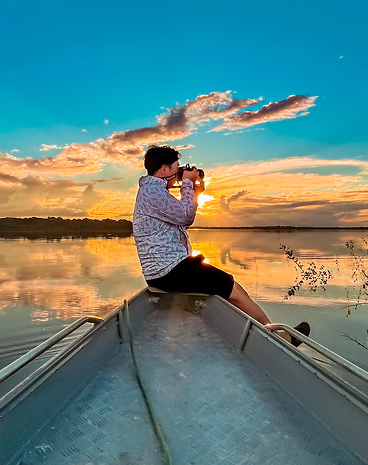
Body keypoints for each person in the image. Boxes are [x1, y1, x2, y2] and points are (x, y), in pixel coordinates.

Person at [133, 145, 310, 346]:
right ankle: (279, 337)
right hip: (169, 271)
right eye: (177, 168)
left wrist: (195, 191)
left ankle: (265, 333)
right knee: (233, 287)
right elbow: (186, 216)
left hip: (167, 269)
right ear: (164, 169)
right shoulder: (152, 191)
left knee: (225, 285)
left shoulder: (153, 191)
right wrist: (188, 184)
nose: (179, 173)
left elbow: (182, 213)